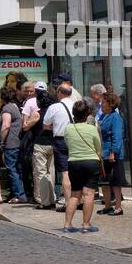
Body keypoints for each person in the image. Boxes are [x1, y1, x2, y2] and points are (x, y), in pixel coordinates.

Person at [62, 99, 103, 233]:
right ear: (87, 114)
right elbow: (98, 147)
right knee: (89, 194)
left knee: (75, 194)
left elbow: (68, 144)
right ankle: (86, 225)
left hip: (74, 162)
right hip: (91, 162)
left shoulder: (68, 129)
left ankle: (67, 224)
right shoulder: (92, 129)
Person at [42, 80, 76, 212]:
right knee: (77, 171)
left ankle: (68, 203)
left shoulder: (54, 107)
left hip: (61, 140)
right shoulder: (77, 105)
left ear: (60, 93)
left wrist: (56, 127)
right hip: (75, 140)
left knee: (65, 173)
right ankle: (79, 200)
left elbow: (46, 125)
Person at [0, 84, 28, 204]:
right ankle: (21, 193)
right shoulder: (15, 106)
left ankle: (19, 195)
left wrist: (1, 141)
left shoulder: (7, 109)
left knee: (12, 169)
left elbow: (6, 126)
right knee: (17, 169)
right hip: (17, 142)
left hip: (10, 143)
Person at [98, 89, 126, 215]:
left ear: (110, 103)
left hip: (112, 154)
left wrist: (113, 152)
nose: (101, 104)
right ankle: (107, 205)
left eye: (103, 102)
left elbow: (117, 136)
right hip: (104, 152)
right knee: (105, 181)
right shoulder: (104, 116)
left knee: (115, 181)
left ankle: (118, 207)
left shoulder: (115, 117)